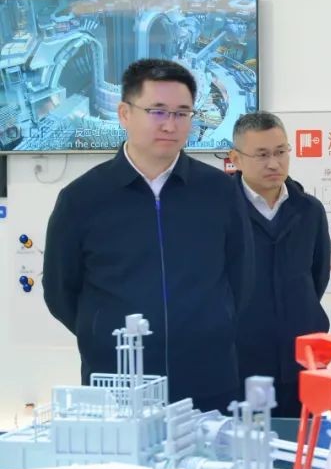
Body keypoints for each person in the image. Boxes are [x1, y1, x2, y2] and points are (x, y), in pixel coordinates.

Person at [43, 58, 253, 413]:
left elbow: (241, 277)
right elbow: (60, 291)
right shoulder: (82, 199)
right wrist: (101, 331)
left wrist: (213, 326)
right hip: (117, 384)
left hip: (208, 381)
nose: (170, 124)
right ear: (124, 114)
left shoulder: (220, 192)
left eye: (182, 113)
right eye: (157, 111)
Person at [229, 111, 330, 418]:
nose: (274, 163)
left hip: (301, 359)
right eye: (262, 155)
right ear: (236, 158)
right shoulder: (220, 210)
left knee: (303, 441)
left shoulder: (309, 210)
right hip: (240, 362)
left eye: (280, 152)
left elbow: (317, 276)